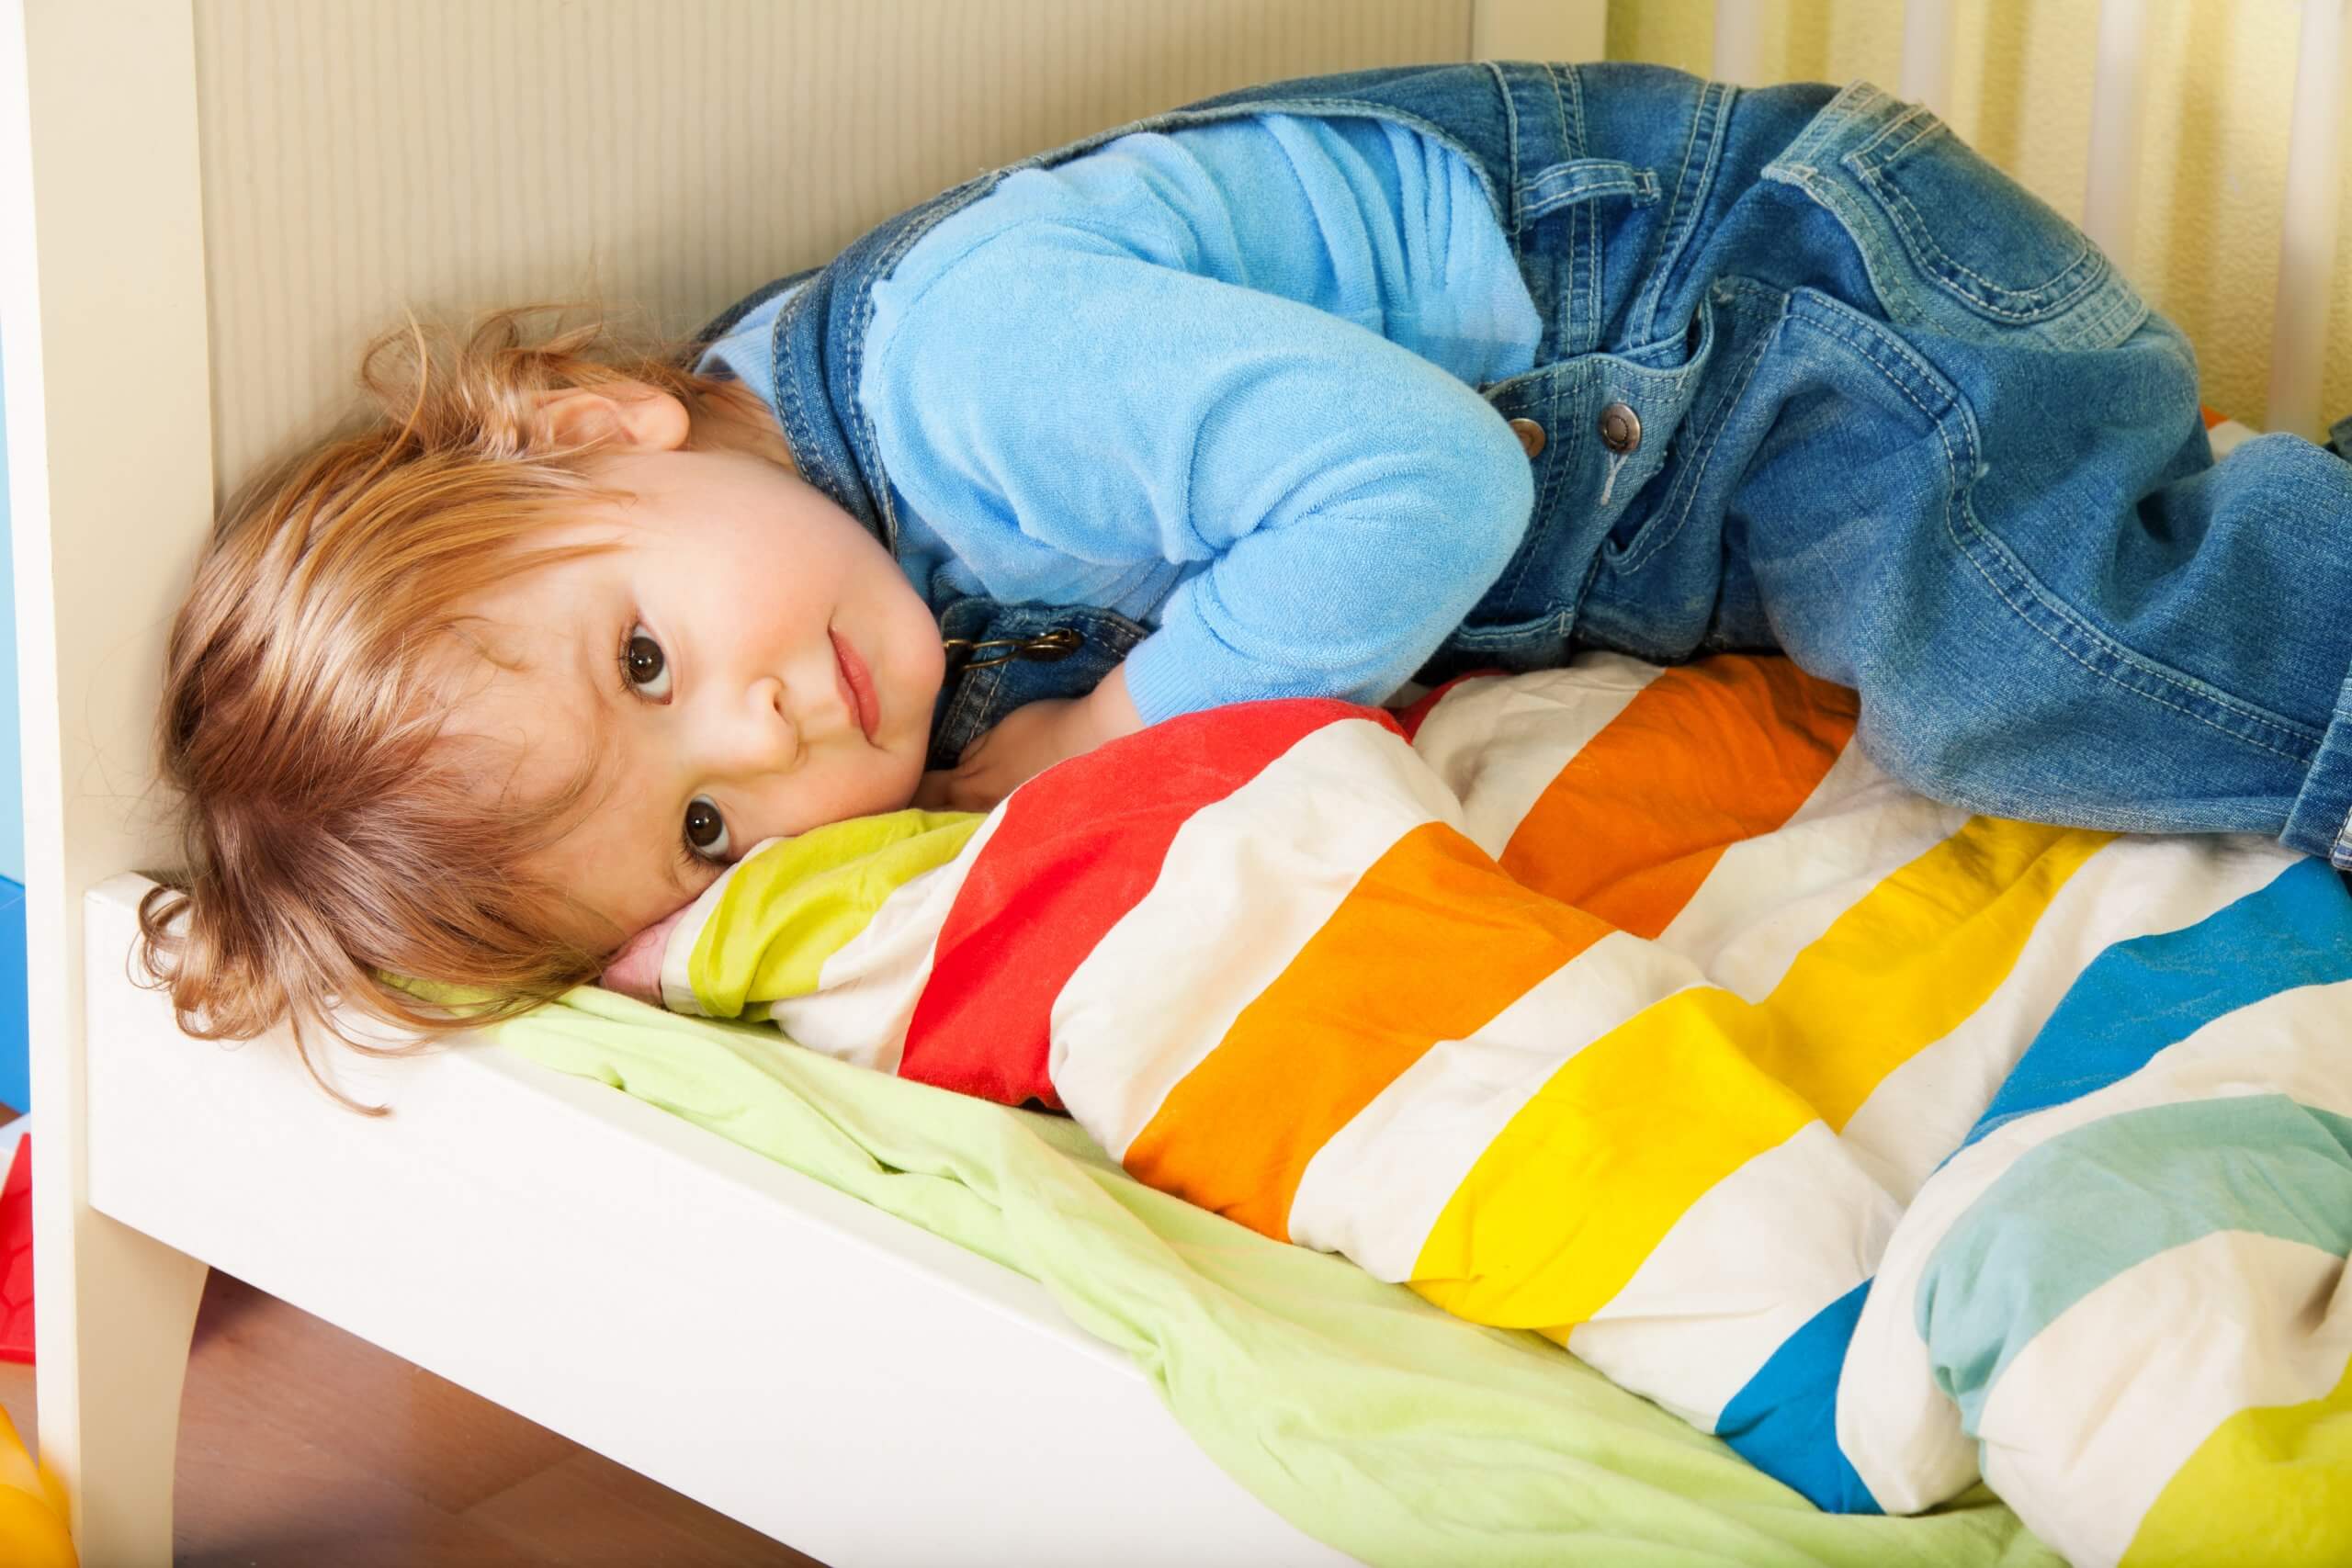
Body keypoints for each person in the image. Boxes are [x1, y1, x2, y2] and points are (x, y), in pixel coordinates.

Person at [140, 62, 2352, 1080]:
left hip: (1789, 321)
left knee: (2024, 670)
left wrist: (1120, 725)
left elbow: (1420, 485)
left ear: (591, 424)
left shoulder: (966, 376)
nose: (770, 725)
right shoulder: (812, 548)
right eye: (705, 826)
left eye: (644, 658)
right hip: (1701, 455)